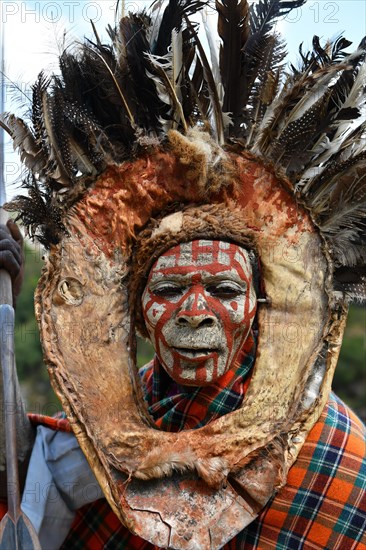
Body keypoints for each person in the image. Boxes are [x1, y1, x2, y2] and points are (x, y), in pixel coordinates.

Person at [1, 1, 365, 548]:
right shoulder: (82, 455)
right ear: (139, 315)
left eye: (223, 289)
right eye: (169, 290)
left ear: (259, 307)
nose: (195, 313)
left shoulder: (338, 457)